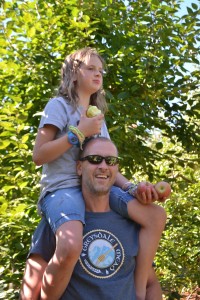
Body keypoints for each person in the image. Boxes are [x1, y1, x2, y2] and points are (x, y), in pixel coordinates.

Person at [23, 47, 167, 300]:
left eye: (100, 70)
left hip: (98, 187)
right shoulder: (59, 106)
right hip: (63, 189)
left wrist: (132, 188)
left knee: (155, 215)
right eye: (90, 68)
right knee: (70, 244)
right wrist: (78, 133)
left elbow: (107, 162)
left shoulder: (98, 117)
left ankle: (137, 290)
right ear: (74, 73)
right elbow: (39, 156)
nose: (98, 74)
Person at [20, 137, 166, 300]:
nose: (103, 166)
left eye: (111, 161)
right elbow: (30, 288)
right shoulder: (62, 222)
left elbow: (150, 283)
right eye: (95, 159)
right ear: (79, 167)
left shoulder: (134, 222)